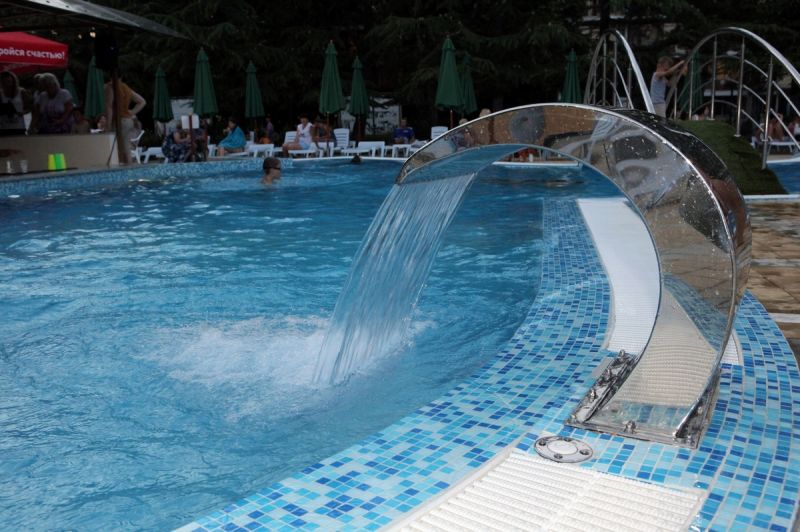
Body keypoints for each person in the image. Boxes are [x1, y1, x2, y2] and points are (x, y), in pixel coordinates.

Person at [104, 75, 146, 163]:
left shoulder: (110, 87)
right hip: (127, 121)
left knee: (118, 148)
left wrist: (108, 125)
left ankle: (122, 167)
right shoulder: (125, 87)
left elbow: (109, 107)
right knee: (126, 147)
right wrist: (131, 112)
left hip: (119, 121)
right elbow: (142, 101)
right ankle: (128, 167)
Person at [0, 71, 26, 136]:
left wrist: (22, 112)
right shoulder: (0, 94)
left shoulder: (22, 92)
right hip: (4, 128)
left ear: (13, 81)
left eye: (9, 82)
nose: (8, 85)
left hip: (19, 127)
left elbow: (31, 107)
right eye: (4, 83)